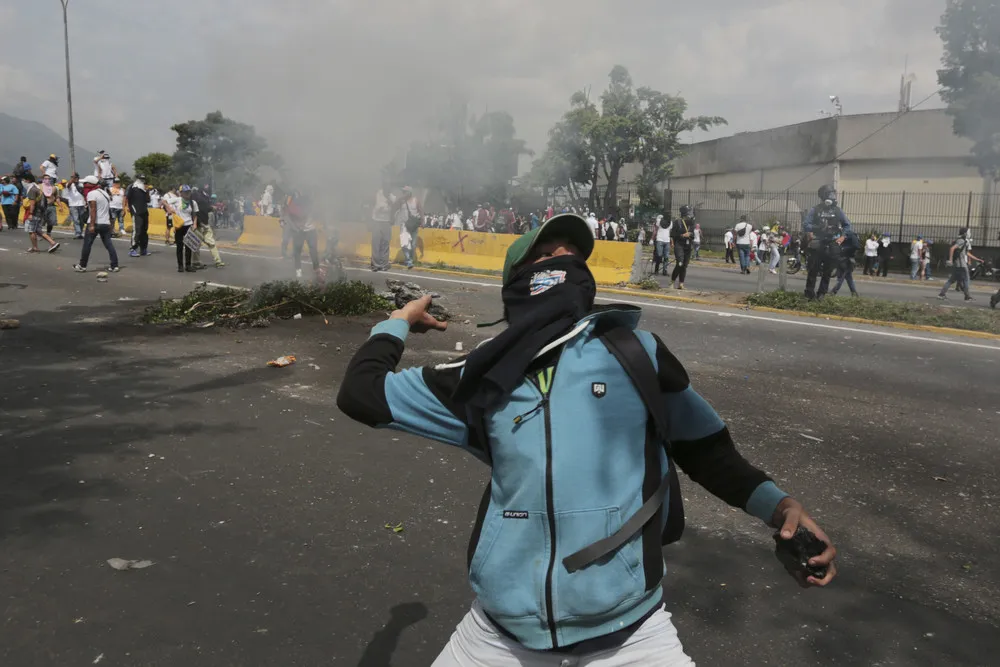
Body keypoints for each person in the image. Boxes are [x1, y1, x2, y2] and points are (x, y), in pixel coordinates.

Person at [337, 212, 838, 666]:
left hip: (632, 636)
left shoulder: (635, 352)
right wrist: (397, 321)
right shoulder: (480, 375)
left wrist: (780, 506)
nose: (567, 259)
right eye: (548, 253)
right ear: (519, 281)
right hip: (499, 637)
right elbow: (362, 394)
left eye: (573, 253)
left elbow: (704, 449)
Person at [802, 185, 851, 299]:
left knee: (828, 271)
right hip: (818, 242)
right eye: (830, 194)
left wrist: (843, 236)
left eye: (833, 194)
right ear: (823, 196)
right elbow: (806, 224)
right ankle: (809, 293)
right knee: (813, 269)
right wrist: (815, 228)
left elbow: (847, 225)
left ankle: (821, 293)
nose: (832, 196)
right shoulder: (816, 209)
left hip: (832, 242)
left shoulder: (838, 211)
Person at [73, 176, 119, 273]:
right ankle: (114, 265)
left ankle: (82, 265)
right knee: (109, 245)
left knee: (87, 245)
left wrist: (92, 225)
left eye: (86, 183)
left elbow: (93, 209)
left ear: (91, 184)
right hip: (105, 223)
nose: (84, 185)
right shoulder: (105, 194)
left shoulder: (92, 194)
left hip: (95, 222)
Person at [22, 175, 62, 254]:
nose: (23, 182)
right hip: (40, 212)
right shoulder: (38, 188)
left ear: (28, 180)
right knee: (38, 231)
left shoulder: (33, 189)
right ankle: (52, 243)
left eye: (24, 180)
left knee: (31, 231)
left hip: (34, 213)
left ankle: (35, 247)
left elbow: (32, 203)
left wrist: (30, 213)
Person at [938, 228, 980, 301]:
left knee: (951, 280)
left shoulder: (963, 241)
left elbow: (966, 253)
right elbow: (952, 249)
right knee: (966, 280)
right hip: (961, 265)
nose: (969, 233)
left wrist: (977, 259)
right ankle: (967, 297)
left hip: (958, 265)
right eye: (968, 232)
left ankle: (941, 294)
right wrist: (950, 260)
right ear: (965, 233)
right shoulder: (961, 241)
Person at [286, 190, 319, 279]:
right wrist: (295, 228)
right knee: (297, 251)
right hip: (299, 231)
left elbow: (319, 214)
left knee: (313, 251)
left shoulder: (312, 205)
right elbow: (288, 216)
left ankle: (316, 269)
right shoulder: (295, 206)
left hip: (310, 230)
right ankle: (298, 271)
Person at [190, 186, 225, 268]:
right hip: (198, 223)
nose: (207, 186)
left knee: (210, 242)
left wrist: (211, 208)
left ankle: (218, 261)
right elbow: (198, 209)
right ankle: (196, 262)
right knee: (197, 244)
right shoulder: (196, 195)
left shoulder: (205, 196)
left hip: (205, 223)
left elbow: (205, 208)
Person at [394, 186, 423, 269]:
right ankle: (409, 260)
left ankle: (410, 259)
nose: (403, 193)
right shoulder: (401, 201)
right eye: (403, 192)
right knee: (404, 243)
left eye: (405, 192)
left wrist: (423, 221)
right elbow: (395, 207)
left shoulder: (415, 201)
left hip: (413, 225)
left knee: (413, 244)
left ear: (410, 193)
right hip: (404, 225)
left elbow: (420, 210)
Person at [370, 183, 394, 272]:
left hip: (386, 223)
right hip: (376, 221)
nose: (388, 189)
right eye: (386, 187)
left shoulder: (392, 197)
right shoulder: (377, 194)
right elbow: (372, 205)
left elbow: (395, 209)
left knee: (385, 243)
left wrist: (391, 203)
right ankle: (375, 264)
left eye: (389, 187)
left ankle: (384, 264)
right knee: (376, 243)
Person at [126, 175, 152, 257]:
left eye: (143, 179)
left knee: (144, 231)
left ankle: (143, 249)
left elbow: (148, 200)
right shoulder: (132, 187)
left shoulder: (144, 189)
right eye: (141, 179)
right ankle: (133, 249)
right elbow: (127, 197)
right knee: (137, 230)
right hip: (136, 211)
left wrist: (147, 191)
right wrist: (127, 207)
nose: (142, 180)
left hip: (144, 211)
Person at [829, 230, 860, 297]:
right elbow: (856, 247)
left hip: (845, 260)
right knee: (849, 278)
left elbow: (856, 246)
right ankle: (854, 293)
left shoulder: (848, 236)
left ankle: (833, 292)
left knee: (841, 277)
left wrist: (844, 249)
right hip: (847, 260)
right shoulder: (851, 237)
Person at [670, 206, 694, 289]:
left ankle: (681, 284)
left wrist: (690, 234)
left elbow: (693, 234)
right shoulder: (677, 222)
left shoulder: (691, 223)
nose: (689, 215)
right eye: (688, 213)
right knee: (679, 263)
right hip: (679, 245)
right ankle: (672, 282)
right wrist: (682, 235)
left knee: (684, 265)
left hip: (688, 246)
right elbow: (673, 235)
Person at [62, 173, 87, 239]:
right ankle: (78, 233)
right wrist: (72, 180)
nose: (75, 178)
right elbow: (68, 185)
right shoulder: (69, 184)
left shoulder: (81, 184)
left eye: (76, 177)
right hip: (73, 205)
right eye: (73, 177)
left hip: (81, 204)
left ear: (78, 178)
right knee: (76, 220)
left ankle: (80, 232)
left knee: (81, 220)